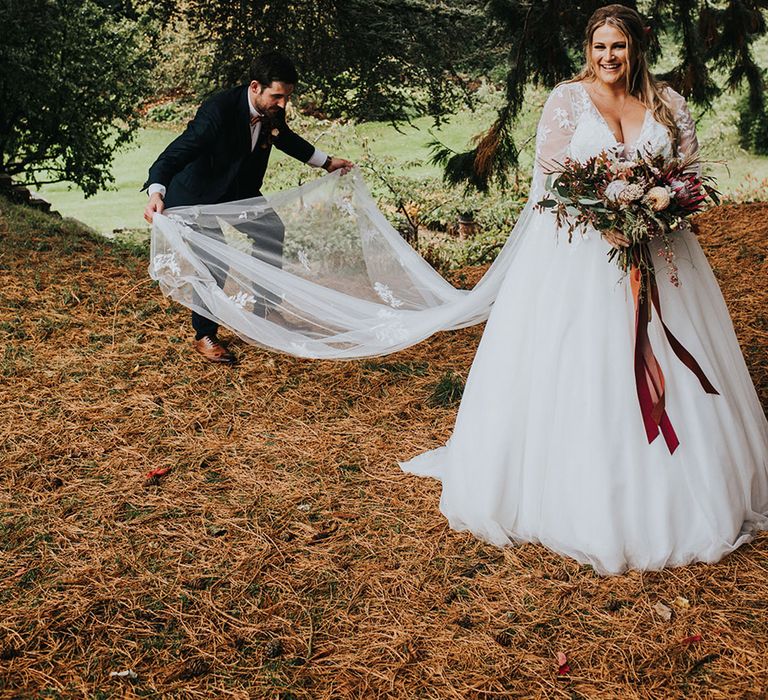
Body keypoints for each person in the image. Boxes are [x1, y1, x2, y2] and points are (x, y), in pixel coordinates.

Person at [400, 4, 768, 574]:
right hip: (580, 263)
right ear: (587, 49)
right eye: (599, 47)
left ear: (636, 48)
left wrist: (664, 208)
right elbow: (552, 180)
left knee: (673, 356)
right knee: (584, 365)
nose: (608, 57)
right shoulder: (566, 100)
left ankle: (688, 484)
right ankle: (584, 491)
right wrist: (608, 218)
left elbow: (690, 175)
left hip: (663, 256)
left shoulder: (667, 105)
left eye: (618, 47)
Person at [143, 50, 353, 364]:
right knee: (216, 260)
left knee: (271, 230)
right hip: (198, 195)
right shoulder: (216, 111)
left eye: (287, 97)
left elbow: (286, 138)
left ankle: (265, 312)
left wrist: (326, 162)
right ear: (255, 87)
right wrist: (156, 192)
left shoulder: (272, 110)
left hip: (238, 191)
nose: (282, 104)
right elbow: (176, 154)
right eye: (278, 96)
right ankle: (204, 334)